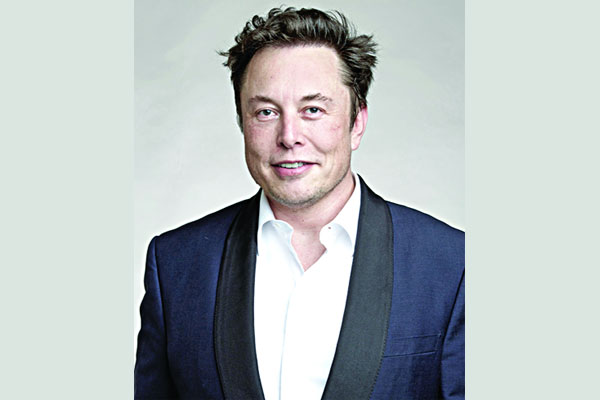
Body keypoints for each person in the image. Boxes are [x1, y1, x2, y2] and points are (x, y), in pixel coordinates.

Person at [135, 7, 464, 400]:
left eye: (313, 110)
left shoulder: (451, 265)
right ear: (242, 122)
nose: (289, 136)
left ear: (356, 123)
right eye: (266, 112)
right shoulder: (175, 264)